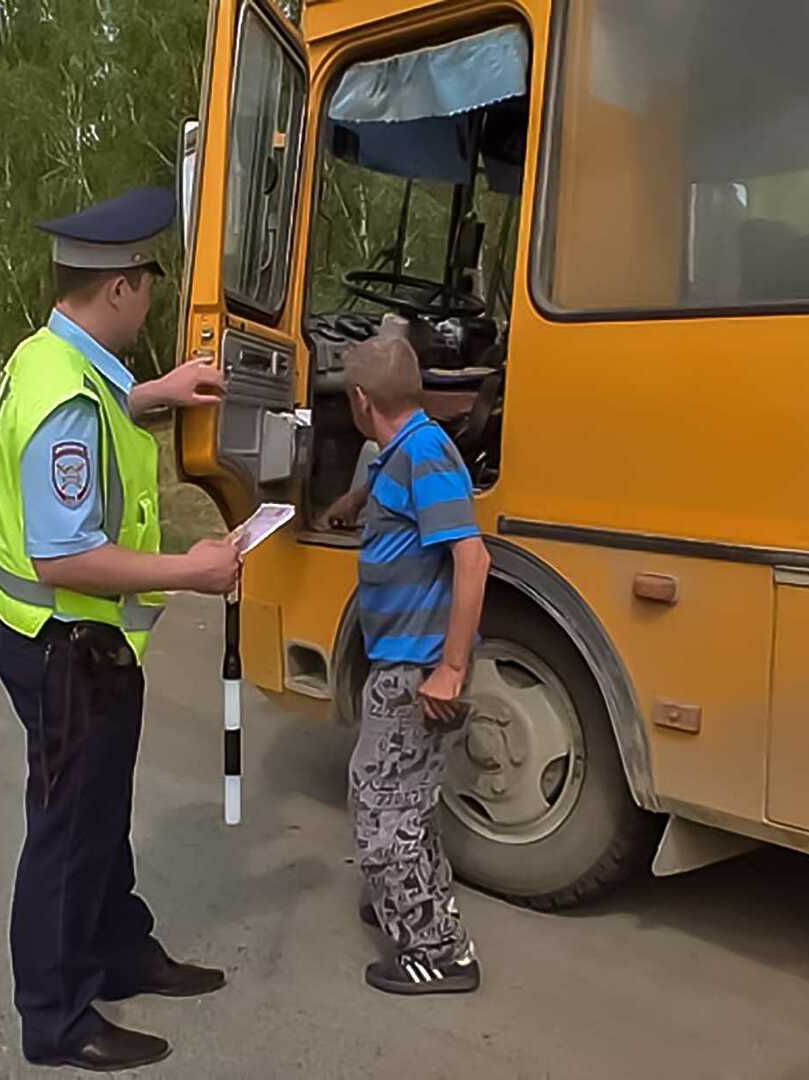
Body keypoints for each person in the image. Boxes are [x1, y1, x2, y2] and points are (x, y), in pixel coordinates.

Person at [0, 186, 241, 1071]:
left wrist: (160, 392)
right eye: (147, 284)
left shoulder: (64, 361)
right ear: (121, 288)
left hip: (86, 648)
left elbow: (110, 401)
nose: (151, 302)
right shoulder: (66, 402)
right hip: (65, 645)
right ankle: (53, 1018)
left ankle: (118, 951)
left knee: (101, 811)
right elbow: (64, 557)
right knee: (66, 829)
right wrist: (192, 572)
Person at [317, 333, 490, 995]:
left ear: (360, 399)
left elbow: (471, 559)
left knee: (386, 809)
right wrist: (352, 505)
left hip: (417, 667)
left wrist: (447, 670)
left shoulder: (423, 453)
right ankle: (399, 897)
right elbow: (390, 485)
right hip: (398, 662)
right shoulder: (400, 452)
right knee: (391, 794)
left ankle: (437, 952)